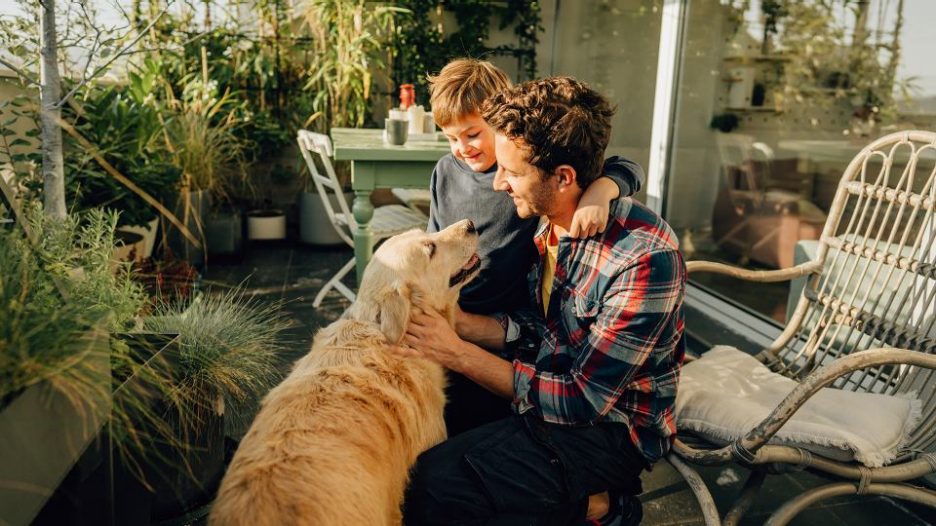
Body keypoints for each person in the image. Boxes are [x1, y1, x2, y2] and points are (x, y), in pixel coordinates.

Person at [399, 76, 686, 526]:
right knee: (426, 461)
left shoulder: (644, 259)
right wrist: (457, 326)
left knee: (436, 488)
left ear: (565, 177)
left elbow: (581, 401)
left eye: (511, 173)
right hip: (545, 390)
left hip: (611, 430)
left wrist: (456, 352)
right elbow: (535, 325)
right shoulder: (546, 226)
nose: (497, 185)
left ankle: (608, 507)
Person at [426, 59, 644, 436]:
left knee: (477, 423)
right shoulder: (446, 172)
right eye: (450, 138)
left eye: (473, 134)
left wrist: (602, 190)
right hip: (454, 306)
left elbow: (626, 166)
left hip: (509, 328)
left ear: (499, 121)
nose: (461, 148)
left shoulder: (532, 175)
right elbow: (434, 244)